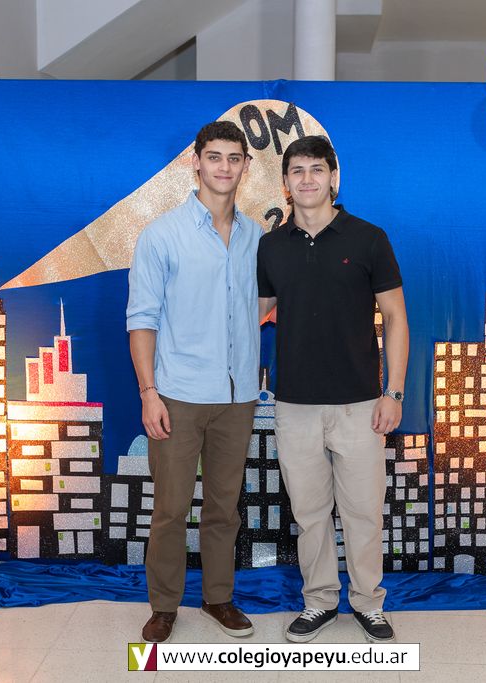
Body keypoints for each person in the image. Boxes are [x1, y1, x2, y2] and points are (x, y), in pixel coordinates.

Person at [257, 135, 409, 643]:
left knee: (364, 512)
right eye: (297, 171)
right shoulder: (270, 246)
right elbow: (253, 314)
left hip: (361, 403)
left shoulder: (369, 238)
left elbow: (396, 317)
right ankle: (319, 601)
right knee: (310, 514)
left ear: (333, 177)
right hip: (294, 405)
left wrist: (394, 392)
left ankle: (369, 603)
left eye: (316, 169)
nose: (307, 179)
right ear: (285, 183)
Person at [127, 121, 263, 644]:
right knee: (170, 509)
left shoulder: (256, 237)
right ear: (196, 162)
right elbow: (142, 320)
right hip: (178, 395)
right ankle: (164, 606)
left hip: (238, 396)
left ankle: (217, 598)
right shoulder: (162, 234)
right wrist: (148, 393)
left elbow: (260, 304)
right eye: (215, 156)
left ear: (246, 166)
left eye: (234, 158)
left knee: (225, 509)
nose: (224, 167)